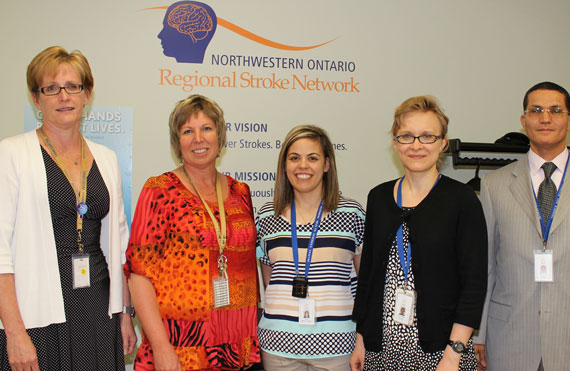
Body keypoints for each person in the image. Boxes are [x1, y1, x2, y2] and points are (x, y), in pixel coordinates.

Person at [0, 46, 137, 371]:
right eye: (51, 88)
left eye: (73, 86)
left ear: (87, 93)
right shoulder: (12, 154)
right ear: (36, 98)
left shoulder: (106, 158)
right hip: (36, 312)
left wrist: (125, 314)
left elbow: (119, 246)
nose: (64, 96)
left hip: (98, 306)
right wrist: (14, 332)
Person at [474, 82, 570, 371]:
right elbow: (486, 267)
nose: (545, 118)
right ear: (524, 122)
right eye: (536, 111)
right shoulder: (494, 184)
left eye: (555, 110)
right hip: (508, 337)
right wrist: (480, 333)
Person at [351, 96, 487, 371]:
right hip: (381, 351)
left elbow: (473, 283)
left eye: (427, 136)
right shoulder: (378, 197)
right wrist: (361, 339)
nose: (416, 145)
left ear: (443, 142)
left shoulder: (462, 200)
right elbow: (368, 276)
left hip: (441, 353)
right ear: (395, 142)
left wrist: (454, 353)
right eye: (407, 136)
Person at [125, 94, 260, 370]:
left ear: (220, 138)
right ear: (178, 143)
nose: (198, 138)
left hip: (236, 343)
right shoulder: (159, 190)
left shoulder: (240, 192)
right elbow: (139, 276)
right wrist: (161, 347)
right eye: (188, 131)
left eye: (206, 129)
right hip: (181, 346)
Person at [256, 125, 365, 370]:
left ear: (327, 164)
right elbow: (270, 282)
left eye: (312, 158)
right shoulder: (266, 216)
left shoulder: (352, 214)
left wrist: (362, 339)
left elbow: (365, 283)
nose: (302, 166)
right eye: (294, 158)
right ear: (285, 165)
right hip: (278, 346)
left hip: (337, 347)